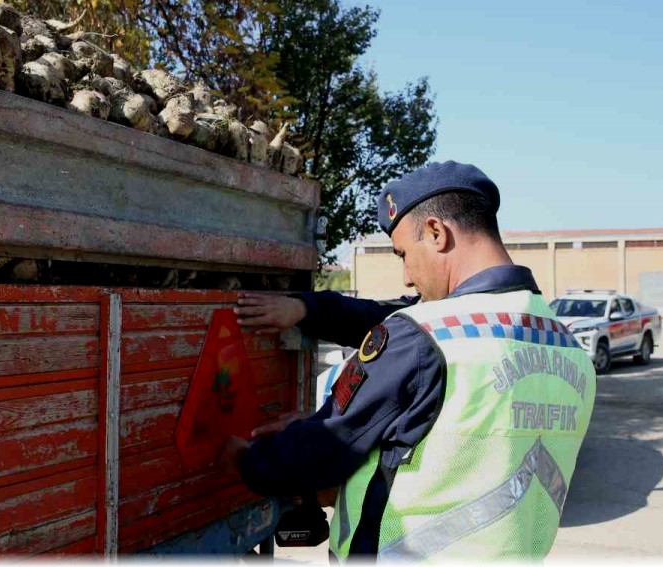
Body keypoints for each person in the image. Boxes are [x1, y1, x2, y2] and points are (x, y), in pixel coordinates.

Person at [223, 160, 596, 561]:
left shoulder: (424, 335)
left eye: (403, 253)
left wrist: (244, 459)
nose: (405, 276)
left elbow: (325, 448)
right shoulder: (569, 349)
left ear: (436, 232)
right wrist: (308, 310)